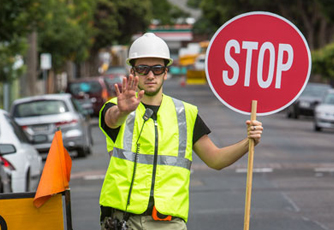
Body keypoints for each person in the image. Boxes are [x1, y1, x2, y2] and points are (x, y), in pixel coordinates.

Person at [99, 32, 263, 230]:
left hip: (169, 223)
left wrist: (248, 142)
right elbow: (112, 119)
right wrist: (122, 110)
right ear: (133, 72)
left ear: (166, 72)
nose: (150, 75)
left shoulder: (186, 113)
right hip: (124, 220)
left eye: (157, 69)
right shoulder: (115, 107)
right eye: (143, 69)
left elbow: (216, 159)